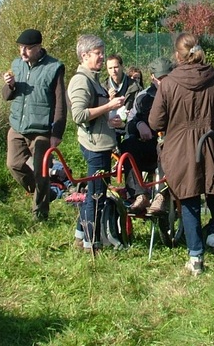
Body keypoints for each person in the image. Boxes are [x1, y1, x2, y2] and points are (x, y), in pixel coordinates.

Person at [149, 32, 214, 275]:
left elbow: (155, 121)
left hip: (180, 149)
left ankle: (196, 258)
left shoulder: (168, 83)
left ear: (177, 55)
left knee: (188, 201)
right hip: (211, 145)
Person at [68, 35, 126, 253]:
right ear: (84, 56)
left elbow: (94, 113)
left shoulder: (92, 78)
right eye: (97, 53)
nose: (102, 56)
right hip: (94, 146)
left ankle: (80, 235)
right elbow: (79, 114)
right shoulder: (81, 80)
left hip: (101, 142)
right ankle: (91, 244)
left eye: (102, 52)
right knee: (96, 195)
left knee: (95, 190)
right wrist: (109, 106)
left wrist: (109, 118)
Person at [2, 28, 66, 221]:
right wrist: (10, 85)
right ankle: (46, 191)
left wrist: (57, 132)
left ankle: (40, 213)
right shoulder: (16, 65)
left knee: (41, 171)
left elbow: (61, 103)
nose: (23, 52)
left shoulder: (54, 67)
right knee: (14, 164)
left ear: (38, 48)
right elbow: (6, 96)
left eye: (28, 48)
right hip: (18, 126)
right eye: (21, 47)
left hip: (41, 129)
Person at [120, 57, 173, 214]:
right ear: (152, 77)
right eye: (160, 78)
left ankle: (161, 195)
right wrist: (138, 124)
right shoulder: (142, 97)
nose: (163, 82)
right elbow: (129, 125)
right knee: (128, 145)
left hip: (171, 146)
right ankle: (140, 194)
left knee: (164, 146)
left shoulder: (178, 94)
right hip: (148, 145)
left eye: (166, 78)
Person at [105, 54, 142, 136]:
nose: (113, 71)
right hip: (110, 126)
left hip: (130, 124)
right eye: (110, 68)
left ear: (122, 66)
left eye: (116, 67)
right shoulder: (103, 87)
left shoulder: (135, 86)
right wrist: (108, 100)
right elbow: (99, 111)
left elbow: (141, 109)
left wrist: (131, 113)